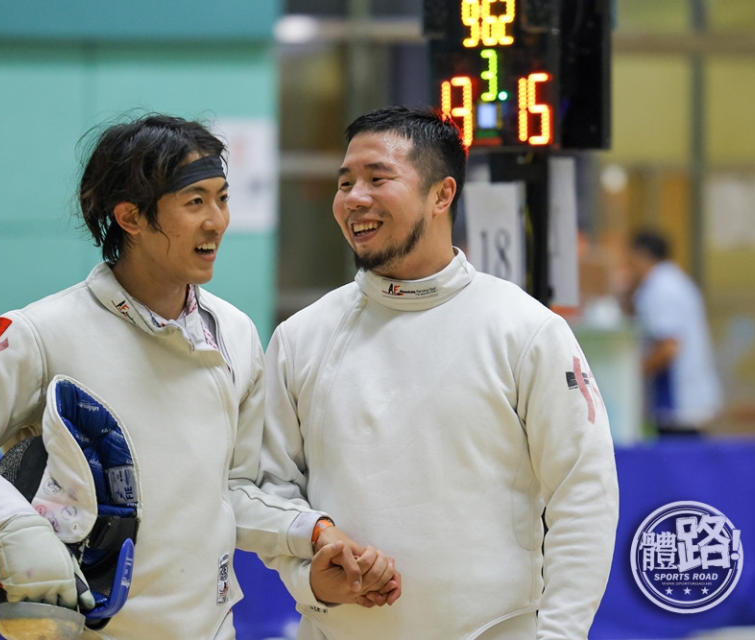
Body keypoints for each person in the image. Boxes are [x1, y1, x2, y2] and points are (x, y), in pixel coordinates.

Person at [0, 114, 393, 640]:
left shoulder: (235, 334)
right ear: (130, 217)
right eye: (194, 201)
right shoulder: (40, 333)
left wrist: (313, 532)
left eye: (222, 198)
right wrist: (13, 528)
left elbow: (233, 492)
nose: (216, 221)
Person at [257, 106, 619, 639]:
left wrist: (561, 635)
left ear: (441, 194)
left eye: (378, 178)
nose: (355, 198)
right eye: (345, 182)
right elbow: (271, 489)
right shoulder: (301, 338)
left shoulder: (524, 329)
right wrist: (311, 579)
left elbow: (583, 493)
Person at [627, 229, 722, 437]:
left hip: (678, 403)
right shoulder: (674, 281)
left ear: (640, 255)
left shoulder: (661, 288)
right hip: (688, 401)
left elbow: (668, 348)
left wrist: (629, 375)